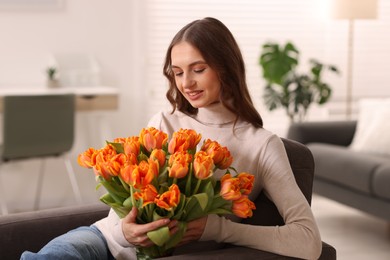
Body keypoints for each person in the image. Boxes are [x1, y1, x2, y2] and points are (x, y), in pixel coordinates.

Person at [21, 17, 322, 260]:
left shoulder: (261, 145)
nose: (186, 83)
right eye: (177, 73)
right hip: (106, 240)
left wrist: (216, 229)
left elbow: (308, 242)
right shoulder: (164, 123)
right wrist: (123, 233)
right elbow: (122, 209)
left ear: (226, 67)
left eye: (198, 69)